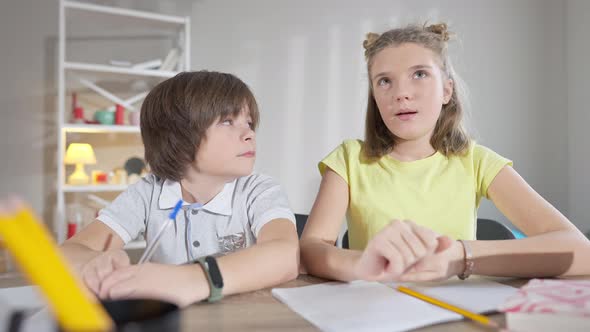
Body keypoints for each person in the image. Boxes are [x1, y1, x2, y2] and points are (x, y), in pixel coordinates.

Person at [300, 23, 590, 283]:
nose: (401, 92)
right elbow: (311, 250)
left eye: (419, 74)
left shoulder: (477, 162)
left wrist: (461, 255)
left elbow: (580, 251)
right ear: (375, 97)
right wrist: (360, 264)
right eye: (384, 81)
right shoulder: (349, 160)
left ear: (447, 91)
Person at [62, 71, 299, 307]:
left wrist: (192, 280)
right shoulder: (148, 192)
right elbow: (69, 252)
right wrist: (93, 263)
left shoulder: (259, 191)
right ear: (178, 136)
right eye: (228, 121)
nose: (249, 134)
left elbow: (286, 256)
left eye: (248, 122)